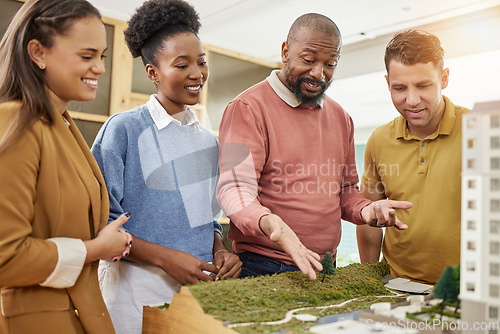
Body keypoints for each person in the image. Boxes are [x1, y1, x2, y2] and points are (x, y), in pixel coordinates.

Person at [216, 13, 412, 280]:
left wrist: (366, 209)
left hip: (326, 267)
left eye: (330, 64)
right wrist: (271, 224)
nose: (319, 73)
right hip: (263, 265)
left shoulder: (342, 118)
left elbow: (345, 192)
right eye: (308, 60)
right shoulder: (247, 108)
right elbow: (234, 188)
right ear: (286, 51)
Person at [91, 0, 242, 332]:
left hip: (194, 289)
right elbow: (100, 220)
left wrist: (221, 250)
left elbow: (208, 219)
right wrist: (165, 257)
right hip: (133, 287)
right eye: (182, 64)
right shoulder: (123, 130)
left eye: (201, 63)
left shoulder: (208, 141)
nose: (196, 74)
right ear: (152, 72)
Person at [0, 0, 133, 333]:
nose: (100, 68)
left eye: (101, 56)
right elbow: (6, 257)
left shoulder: (61, 124)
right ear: (38, 53)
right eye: (87, 56)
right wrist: (95, 249)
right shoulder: (14, 122)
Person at [356, 30, 469, 285]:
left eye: (423, 85)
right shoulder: (378, 140)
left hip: (467, 292)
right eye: (399, 88)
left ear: (444, 78)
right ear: (387, 83)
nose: (412, 100)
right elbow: (367, 218)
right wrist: (369, 281)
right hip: (397, 286)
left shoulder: (482, 130)